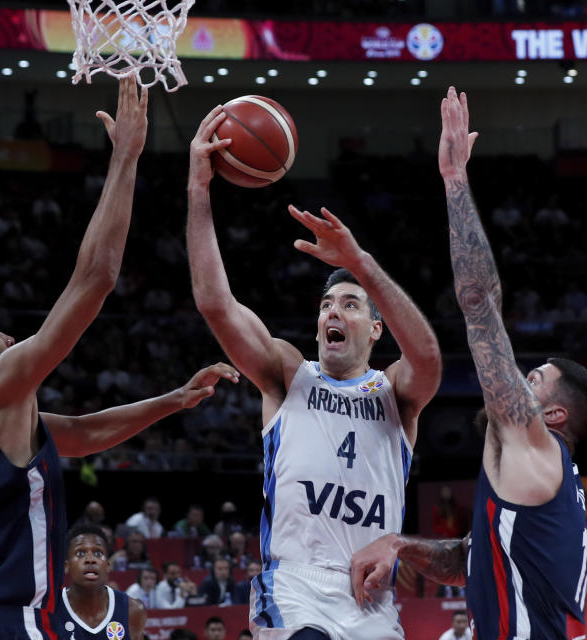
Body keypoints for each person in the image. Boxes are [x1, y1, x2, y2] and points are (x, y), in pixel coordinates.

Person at [0, 78, 239, 638]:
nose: (9, 337)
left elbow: (81, 435)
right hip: (8, 620)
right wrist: (126, 159)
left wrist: (172, 401)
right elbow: (95, 279)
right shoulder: (2, 387)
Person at [350, 87, 587, 640]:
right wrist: (398, 544)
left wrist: (455, 181)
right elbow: (464, 559)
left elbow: (478, 302)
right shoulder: (540, 489)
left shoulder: (535, 446)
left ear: (554, 416)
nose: (516, 380)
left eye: (533, 379)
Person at [188, 105, 442, 639]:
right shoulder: (286, 374)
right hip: (294, 585)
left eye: (351, 305)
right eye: (328, 305)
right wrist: (198, 190)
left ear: (375, 330)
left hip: (370, 597)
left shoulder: (395, 391)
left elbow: (429, 359)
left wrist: (365, 268)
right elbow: (216, 303)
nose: (333, 312)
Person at [52, 524, 147, 640]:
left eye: (98, 553)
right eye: (80, 553)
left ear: (108, 565)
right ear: (66, 566)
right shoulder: (49, 607)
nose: (90, 559)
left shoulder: (133, 610)